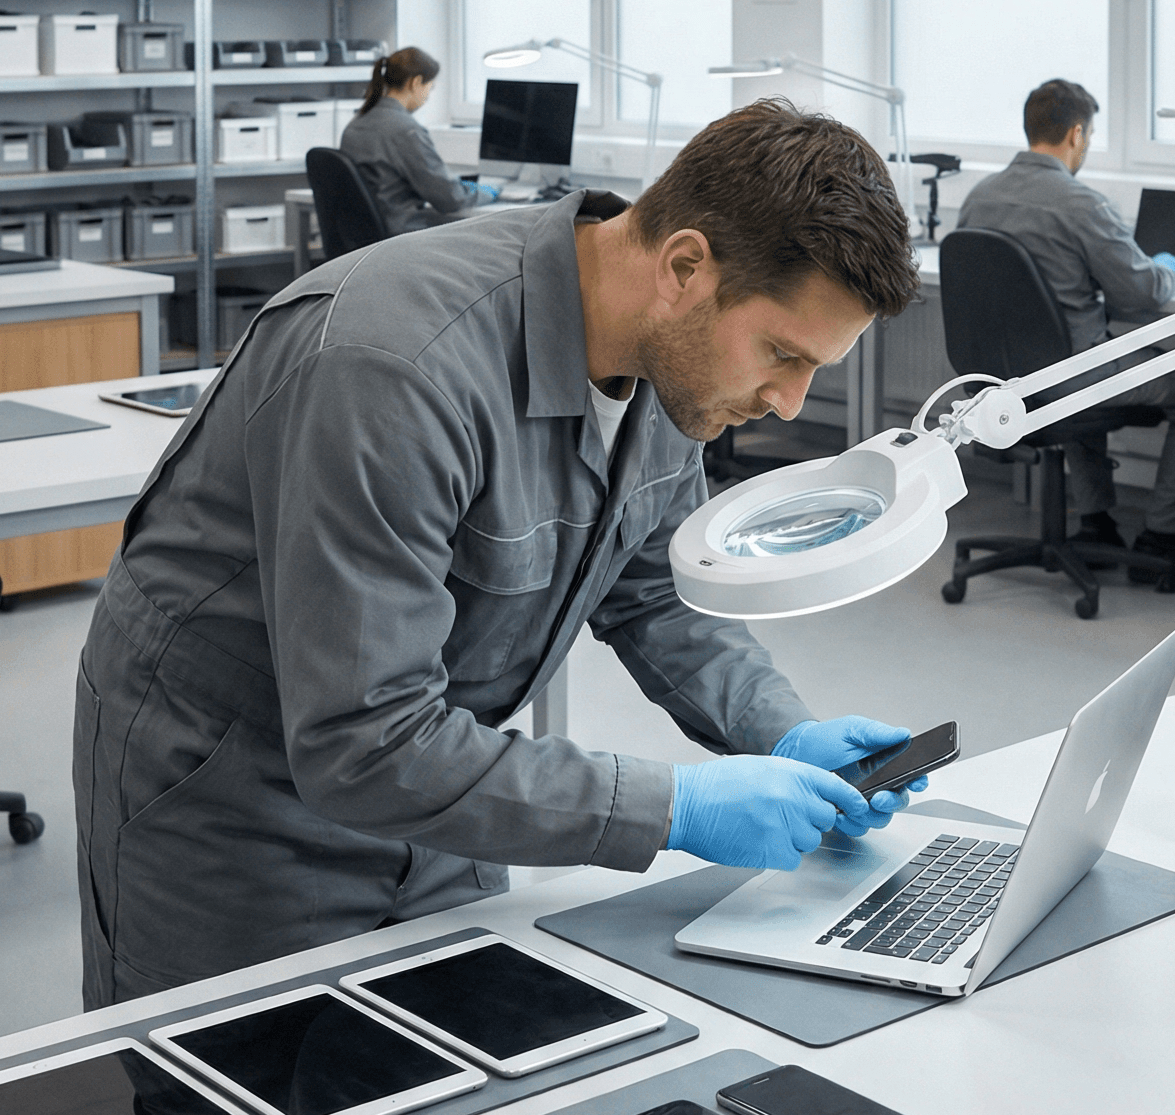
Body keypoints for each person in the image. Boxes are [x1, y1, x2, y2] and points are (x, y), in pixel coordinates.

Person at [73, 100, 924, 1006]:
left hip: (444, 777)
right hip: (237, 804)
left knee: (455, 1086)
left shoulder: (668, 362)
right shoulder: (395, 370)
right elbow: (364, 741)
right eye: (782, 354)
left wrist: (776, 729)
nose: (791, 403)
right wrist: (676, 806)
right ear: (684, 267)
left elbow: (649, 593)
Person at [956, 78, 1175, 583]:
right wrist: (1168, 266)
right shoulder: (1080, 203)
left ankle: (1098, 525)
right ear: (1077, 134)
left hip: (1000, 380)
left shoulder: (979, 196)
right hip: (1070, 379)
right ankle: (1162, 539)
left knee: (1077, 361)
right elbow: (1141, 294)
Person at [339, 47, 489, 234]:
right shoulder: (405, 129)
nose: (427, 97)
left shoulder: (356, 124)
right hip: (401, 232)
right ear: (416, 82)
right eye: (430, 88)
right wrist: (488, 193)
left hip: (369, 233)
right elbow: (449, 199)